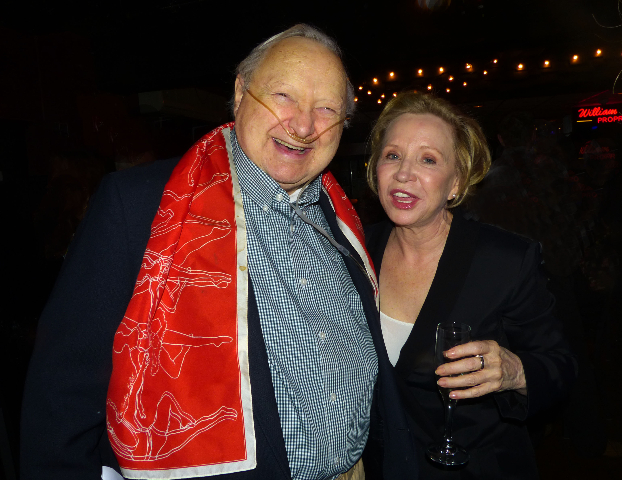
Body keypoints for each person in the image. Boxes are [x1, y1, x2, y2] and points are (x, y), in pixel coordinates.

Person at [20, 25, 416, 480]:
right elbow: (61, 400)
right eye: (284, 96)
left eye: (326, 108)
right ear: (241, 93)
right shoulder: (140, 206)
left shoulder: (343, 220)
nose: (304, 126)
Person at [361, 92, 577, 479]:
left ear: (456, 183)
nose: (404, 173)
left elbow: (560, 365)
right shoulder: (355, 249)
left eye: (428, 159)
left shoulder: (505, 260)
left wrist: (514, 371)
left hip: (477, 468)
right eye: (392, 155)